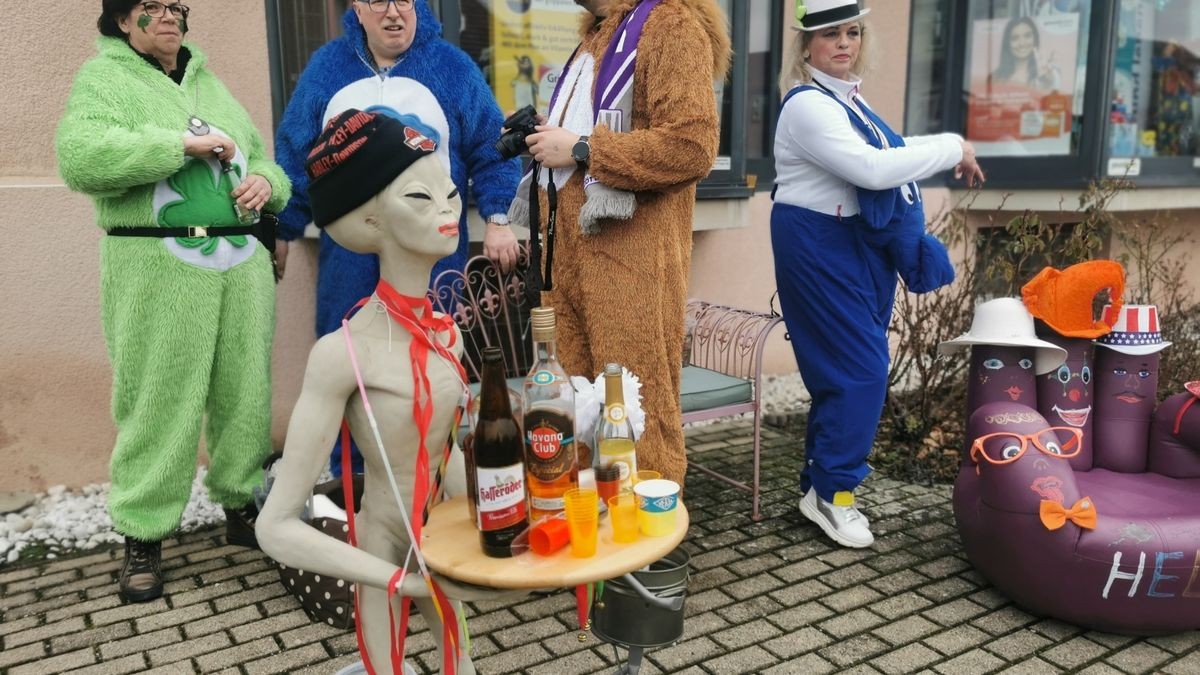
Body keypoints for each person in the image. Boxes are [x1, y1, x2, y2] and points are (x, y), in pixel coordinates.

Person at [258, 109, 518, 674]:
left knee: (462, 667)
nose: (448, 211)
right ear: (370, 221)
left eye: (451, 194)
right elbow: (274, 526)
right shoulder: (342, 355)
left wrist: (493, 530)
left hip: (444, 543)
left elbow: (448, 452)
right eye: (420, 198)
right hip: (382, 555)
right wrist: (400, 580)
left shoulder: (446, 332)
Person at [56, 0, 291, 602]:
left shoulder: (210, 82)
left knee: (245, 388)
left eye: (176, 6)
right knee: (158, 394)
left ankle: (241, 503)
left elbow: (261, 157)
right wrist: (176, 145)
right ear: (120, 20)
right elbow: (81, 156)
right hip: (159, 268)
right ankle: (143, 532)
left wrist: (269, 183)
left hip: (239, 264)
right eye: (151, 6)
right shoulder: (103, 78)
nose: (169, 16)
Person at [771, 0, 985, 549]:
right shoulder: (807, 105)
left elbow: (889, 150)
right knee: (862, 371)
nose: (843, 43)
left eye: (852, 32)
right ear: (806, 46)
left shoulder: (848, 101)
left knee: (841, 373)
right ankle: (834, 496)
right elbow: (871, 167)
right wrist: (951, 146)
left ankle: (817, 485)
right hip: (819, 243)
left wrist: (949, 146)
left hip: (851, 243)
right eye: (829, 35)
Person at [274, 0, 520, 475]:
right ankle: (352, 483)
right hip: (349, 255)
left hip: (429, 256)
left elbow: (496, 146)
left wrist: (497, 216)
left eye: (403, 0)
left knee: (434, 361)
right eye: (377, 1)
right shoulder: (328, 67)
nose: (393, 13)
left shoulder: (451, 66)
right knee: (347, 357)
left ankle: (434, 477)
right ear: (356, 8)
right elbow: (295, 152)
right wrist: (281, 227)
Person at [510, 0, 731, 486]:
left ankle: (651, 544)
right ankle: (593, 531)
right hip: (568, 260)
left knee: (637, 407)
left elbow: (692, 146)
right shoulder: (596, 37)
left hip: (631, 261)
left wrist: (586, 148)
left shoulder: (669, 24)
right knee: (576, 408)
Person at [990, 16, 1061, 91]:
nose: (1022, 43)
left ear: (1035, 39)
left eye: (1027, 36)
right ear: (1007, 43)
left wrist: (1046, 78)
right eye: (1015, 38)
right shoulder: (995, 77)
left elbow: (1051, 89)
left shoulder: (1049, 73)